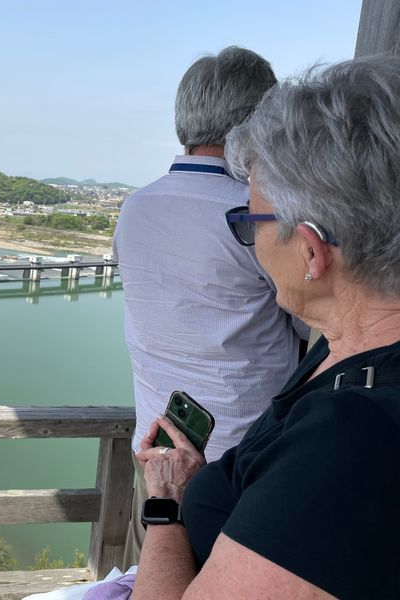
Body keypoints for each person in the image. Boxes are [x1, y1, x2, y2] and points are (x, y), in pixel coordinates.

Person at [132, 56, 400, 599]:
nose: (249, 239)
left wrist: (165, 509)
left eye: (248, 222)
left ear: (311, 250)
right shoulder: (334, 357)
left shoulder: (346, 443)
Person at [112, 46, 307, 564]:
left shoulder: (134, 207)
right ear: (259, 119)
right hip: (242, 462)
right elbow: (314, 322)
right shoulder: (256, 216)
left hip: (156, 450)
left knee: (154, 570)